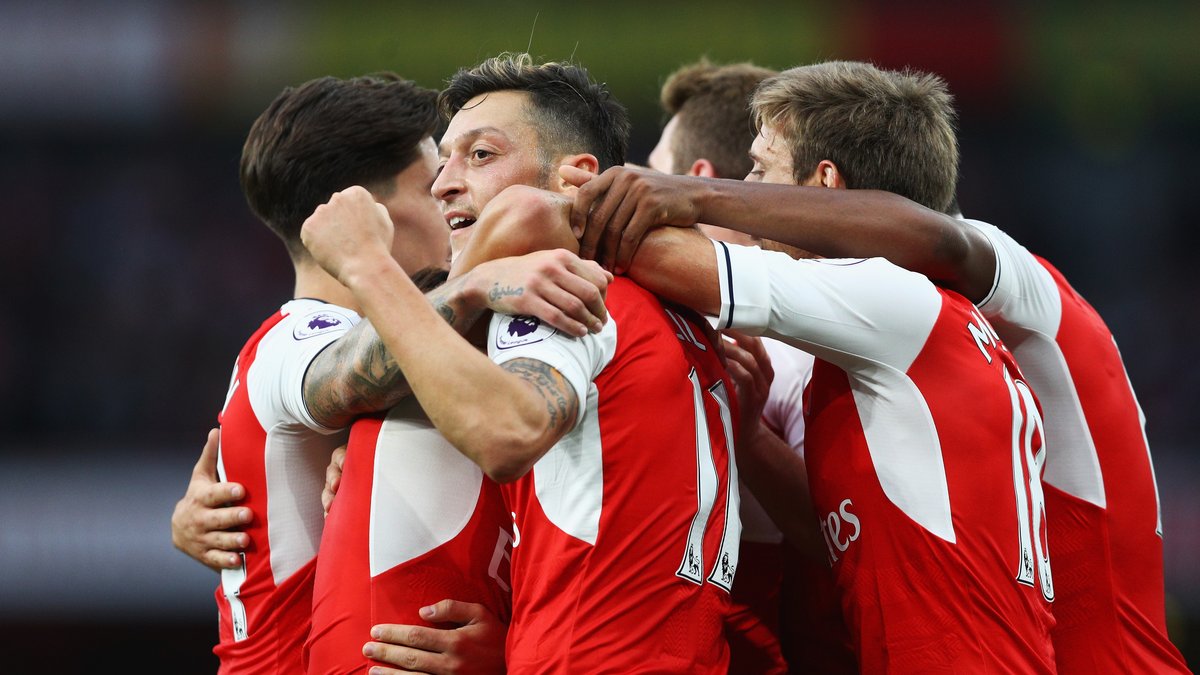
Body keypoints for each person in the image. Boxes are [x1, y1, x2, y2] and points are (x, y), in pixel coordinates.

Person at [606, 59, 1192, 674]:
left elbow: (941, 242)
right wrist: (754, 440)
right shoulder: (869, 346)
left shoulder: (1004, 294)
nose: (747, 196)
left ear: (826, 182)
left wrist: (684, 198)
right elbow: (845, 541)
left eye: (759, 174)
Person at [301, 52, 741, 674]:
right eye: (445, 161)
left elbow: (505, 433)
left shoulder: (562, 292)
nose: (444, 183)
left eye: (481, 155)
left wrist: (367, 265)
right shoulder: (685, 314)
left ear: (575, 178)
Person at [171, 72, 611, 674]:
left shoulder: (444, 357)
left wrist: (509, 645)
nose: (452, 195)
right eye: (431, 183)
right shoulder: (292, 341)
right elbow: (353, 373)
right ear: (361, 214)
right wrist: (474, 281)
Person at [647, 57, 855, 675]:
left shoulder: (794, 340)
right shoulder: (673, 315)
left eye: (653, 172)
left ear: (693, 179)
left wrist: (751, 438)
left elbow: (840, 540)